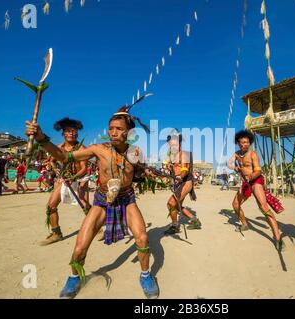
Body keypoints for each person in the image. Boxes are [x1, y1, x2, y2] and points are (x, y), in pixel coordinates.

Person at [25, 103, 160, 299]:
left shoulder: (135, 152)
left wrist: (146, 171)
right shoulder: (98, 149)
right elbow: (64, 155)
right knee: (80, 246)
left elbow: (138, 171)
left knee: (142, 238)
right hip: (102, 200)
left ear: (129, 132)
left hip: (126, 199)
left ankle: (146, 275)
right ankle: (74, 277)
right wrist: (41, 138)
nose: (113, 133)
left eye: (119, 129)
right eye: (111, 128)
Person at [228, 130, 285, 251]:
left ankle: (277, 236)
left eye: (247, 142)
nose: (245, 144)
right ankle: (244, 224)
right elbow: (228, 163)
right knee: (235, 205)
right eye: (243, 142)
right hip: (246, 182)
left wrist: (250, 177)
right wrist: (235, 167)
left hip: (256, 181)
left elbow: (258, 171)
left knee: (263, 207)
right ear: (238, 143)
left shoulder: (253, 154)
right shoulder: (237, 154)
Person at [37, 118, 89, 246]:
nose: (71, 133)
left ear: (77, 133)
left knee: (85, 205)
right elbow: (51, 160)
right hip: (64, 179)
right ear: (63, 133)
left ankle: (97, 228)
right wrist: (57, 171)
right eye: (68, 131)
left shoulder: (81, 148)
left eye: (74, 131)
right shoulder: (58, 147)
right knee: (51, 206)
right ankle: (56, 233)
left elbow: (83, 168)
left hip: (80, 178)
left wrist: (74, 178)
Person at [163, 131, 202, 235]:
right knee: (176, 205)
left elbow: (184, 169)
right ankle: (195, 221)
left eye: (174, 144)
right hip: (178, 183)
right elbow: (169, 170)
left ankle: (175, 226)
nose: (172, 146)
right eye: (170, 144)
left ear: (179, 144)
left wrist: (180, 176)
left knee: (171, 203)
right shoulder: (171, 157)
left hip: (186, 182)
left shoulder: (184, 154)